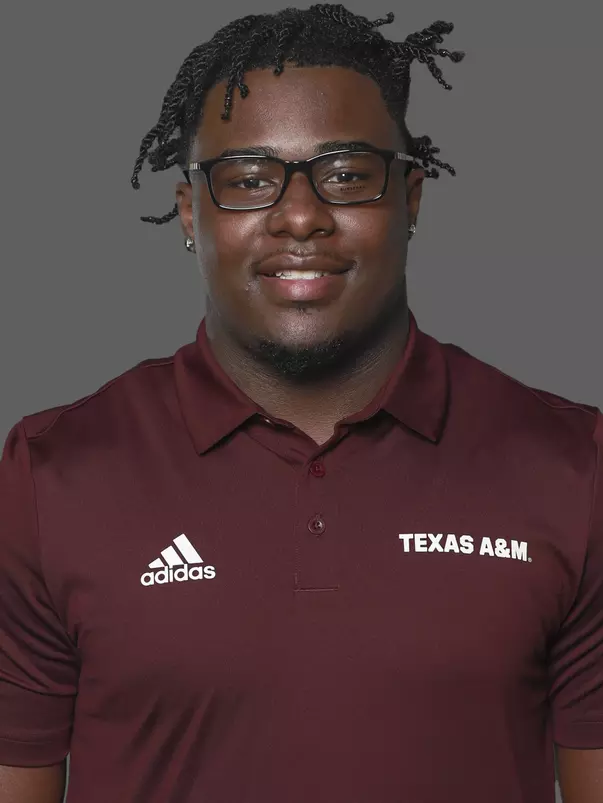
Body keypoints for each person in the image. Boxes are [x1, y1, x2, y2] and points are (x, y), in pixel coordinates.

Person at [0, 4, 601, 801]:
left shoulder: (572, 466)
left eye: (345, 174)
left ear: (410, 198)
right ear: (191, 213)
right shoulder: (52, 473)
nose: (299, 216)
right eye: (248, 180)